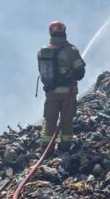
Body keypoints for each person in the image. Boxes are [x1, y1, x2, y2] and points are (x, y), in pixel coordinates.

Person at [37, 21, 86, 151]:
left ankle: (47, 149)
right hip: (68, 94)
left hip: (51, 93)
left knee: (49, 121)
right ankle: (64, 147)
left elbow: (41, 72)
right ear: (64, 33)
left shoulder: (42, 52)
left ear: (50, 33)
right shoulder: (72, 50)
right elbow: (80, 74)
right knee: (66, 122)